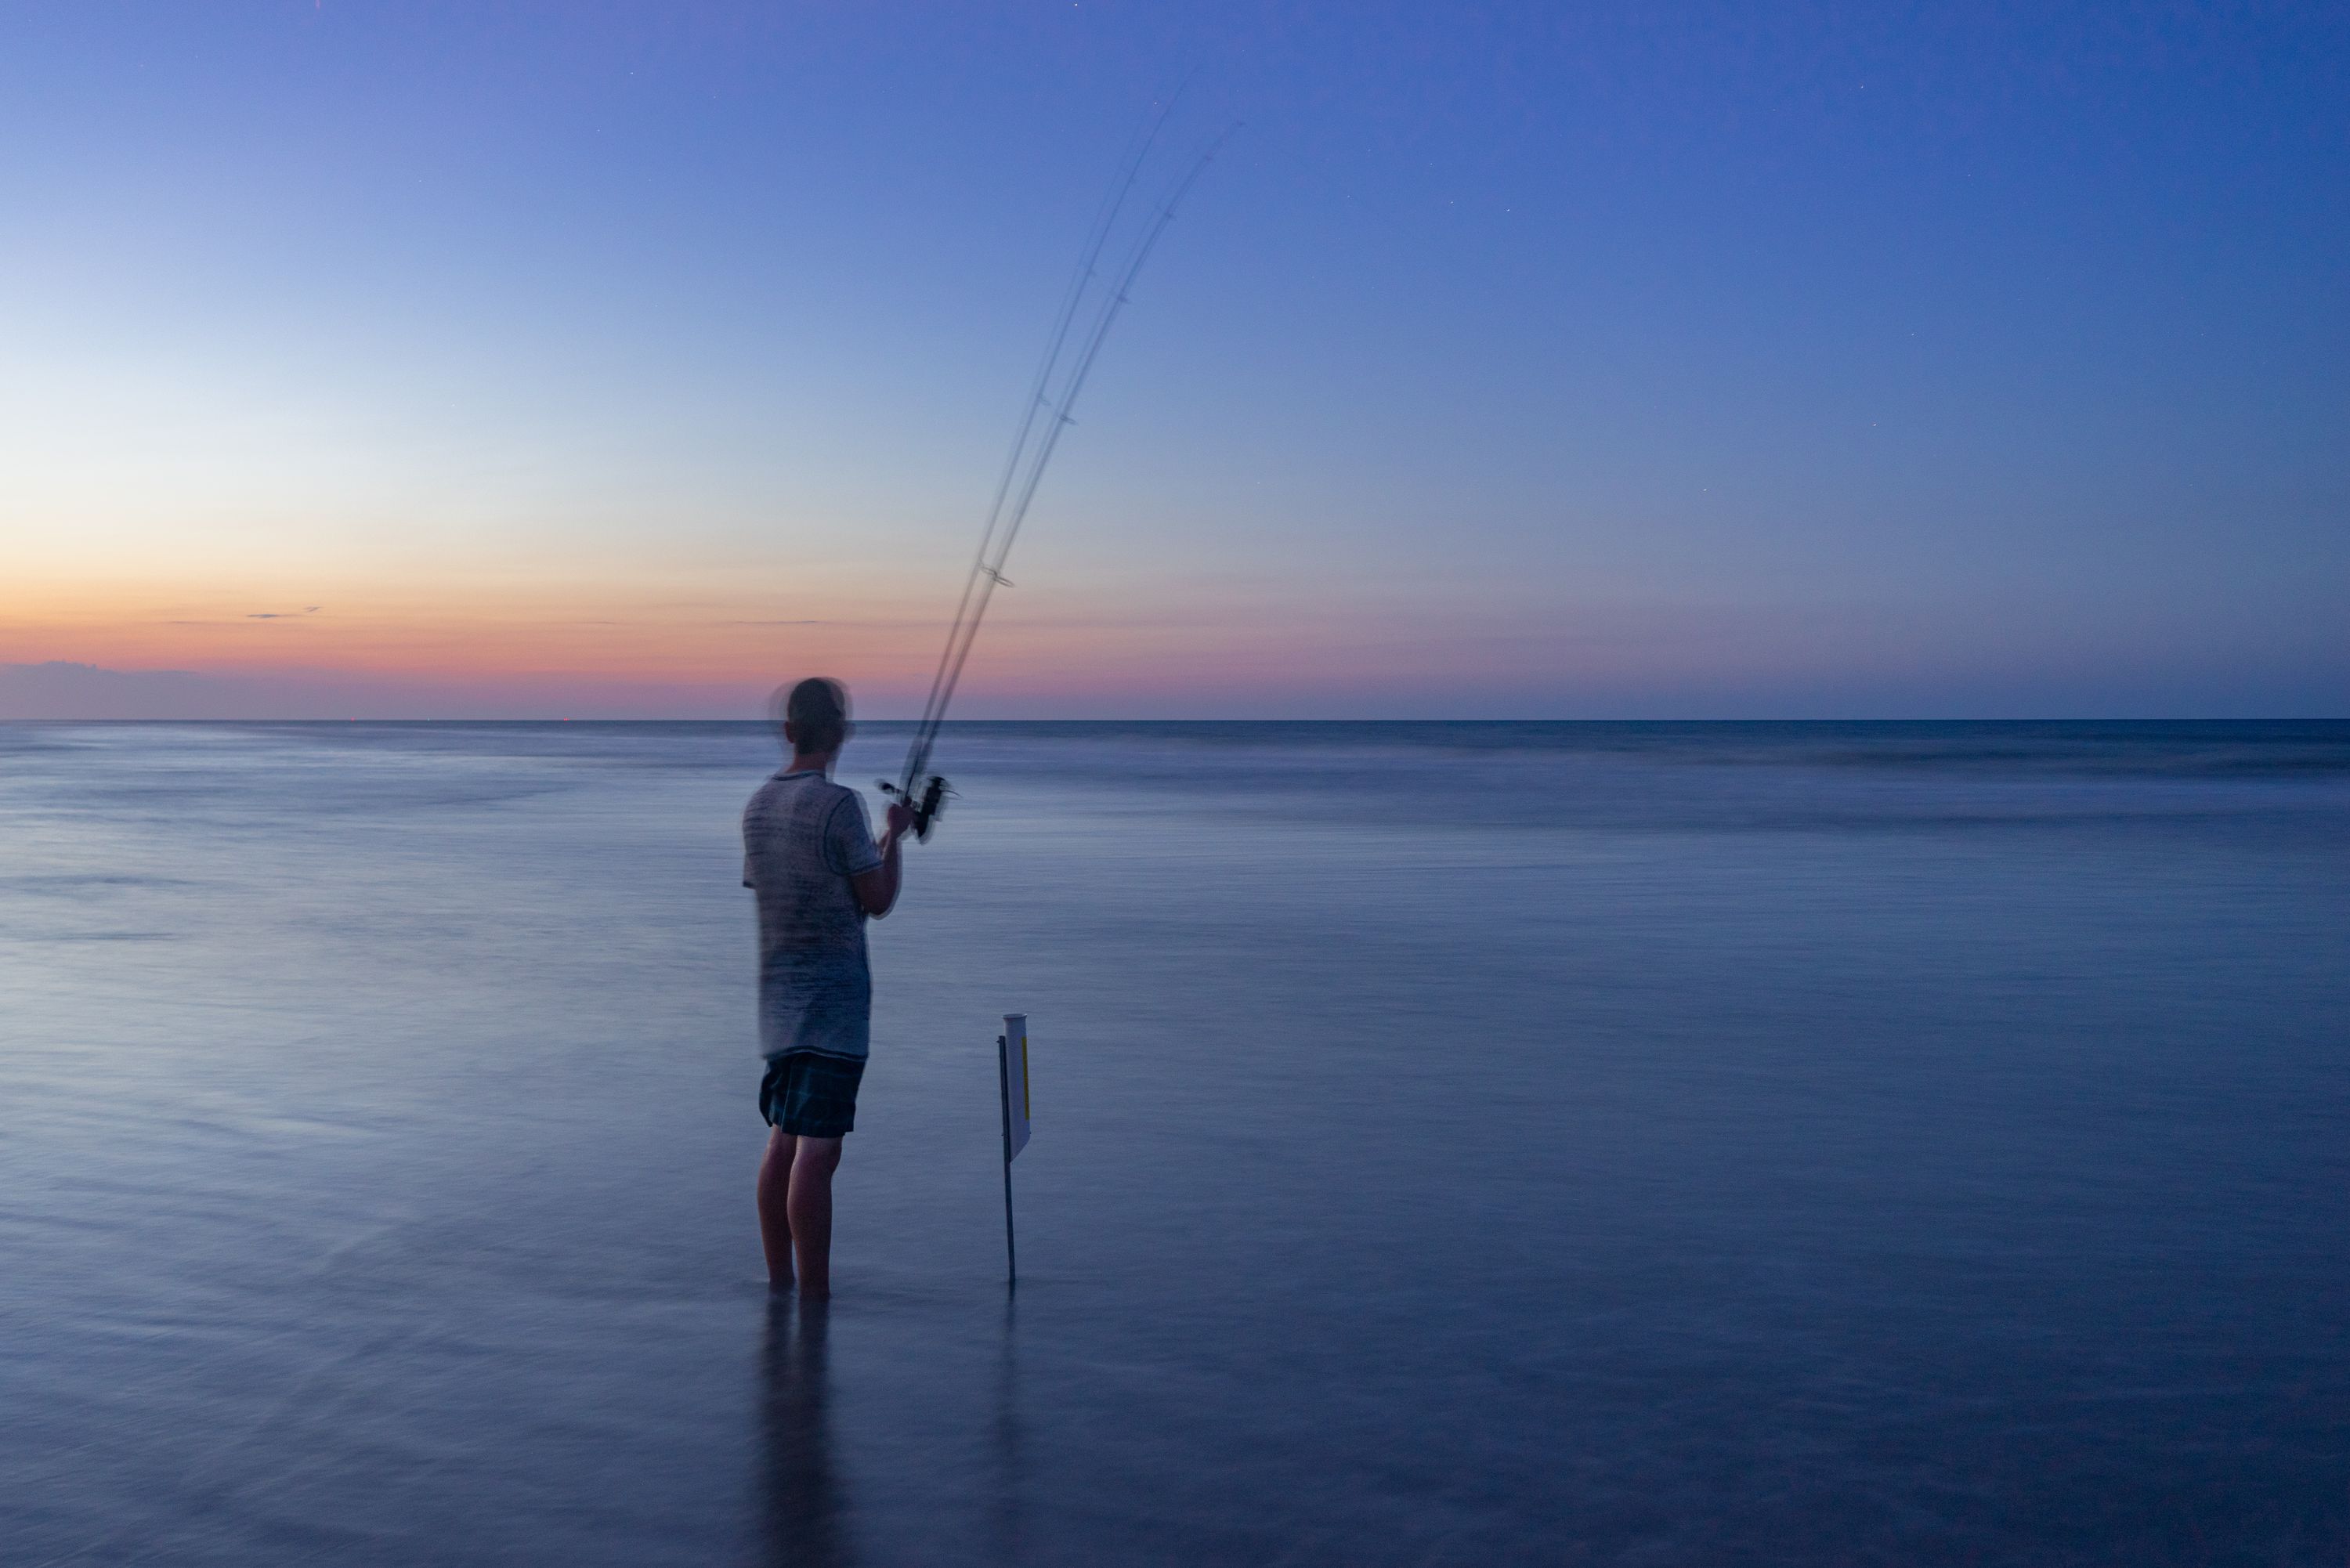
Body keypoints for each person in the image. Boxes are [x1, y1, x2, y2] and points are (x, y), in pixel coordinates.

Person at [743, 677, 913, 1296]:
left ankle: (780, 1285)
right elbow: (877, 898)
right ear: (840, 733)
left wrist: (873, 847)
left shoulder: (758, 806)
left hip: (778, 1005)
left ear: (788, 731)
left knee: (782, 1142)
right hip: (834, 1008)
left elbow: (802, 885)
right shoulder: (841, 806)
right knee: (820, 1153)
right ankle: (815, 1297)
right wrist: (894, 838)